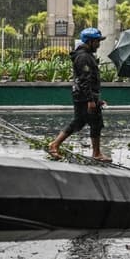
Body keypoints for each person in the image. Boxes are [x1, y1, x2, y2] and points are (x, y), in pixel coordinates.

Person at [48, 27, 112, 162]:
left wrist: (96, 100)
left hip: (83, 95)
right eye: (97, 41)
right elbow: (84, 80)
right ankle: (96, 153)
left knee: (80, 122)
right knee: (96, 123)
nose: (99, 44)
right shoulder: (83, 57)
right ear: (89, 41)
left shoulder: (86, 55)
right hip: (84, 96)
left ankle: (55, 145)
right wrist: (90, 100)